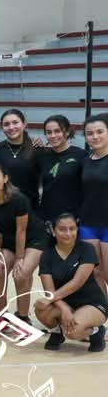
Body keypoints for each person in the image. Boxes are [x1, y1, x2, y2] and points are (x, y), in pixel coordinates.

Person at [0, 162, 46, 323]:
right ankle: (1, 318)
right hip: (9, 241)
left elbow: (21, 231)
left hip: (34, 238)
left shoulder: (18, 199)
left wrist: (19, 258)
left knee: (20, 274)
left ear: (5, 178)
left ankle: (22, 318)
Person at [36, 213, 107, 352]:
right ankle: (57, 332)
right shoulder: (46, 255)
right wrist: (64, 308)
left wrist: (61, 306)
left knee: (72, 332)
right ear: (54, 231)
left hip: (92, 303)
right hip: (63, 302)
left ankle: (96, 332)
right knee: (40, 308)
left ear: (77, 230)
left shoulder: (86, 249)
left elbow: (77, 282)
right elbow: (49, 291)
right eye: (62, 229)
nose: (68, 233)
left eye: (72, 229)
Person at [36, 115, 84, 225]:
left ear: (67, 132)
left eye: (57, 131)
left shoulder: (81, 155)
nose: (53, 136)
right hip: (47, 217)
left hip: (72, 218)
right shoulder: (41, 156)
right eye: (48, 132)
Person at [79, 114, 108, 294]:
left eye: (100, 132)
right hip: (88, 223)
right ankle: (102, 315)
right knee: (96, 272)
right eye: (90, 133)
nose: (94, 137)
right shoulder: (85, 161)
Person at [0, 108, 39, 210]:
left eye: (15, 122)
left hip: (30, 208)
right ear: (2, 128)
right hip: (1, 207)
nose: (11, 127)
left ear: (24, 124)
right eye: (6, 124)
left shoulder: (36, 150)